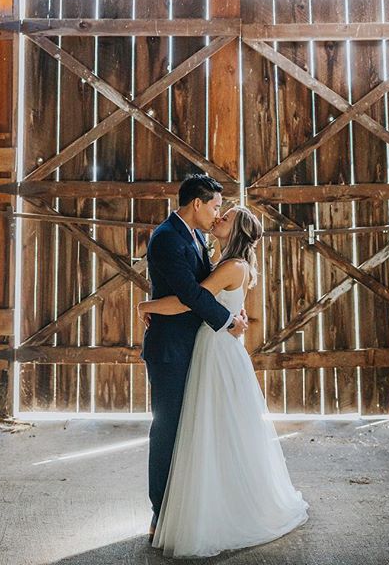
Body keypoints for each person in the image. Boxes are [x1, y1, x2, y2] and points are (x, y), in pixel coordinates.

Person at [139, 205, 308, 558]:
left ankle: (221, 512)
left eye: (226, 216)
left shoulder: (232, 267)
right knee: (215, 431)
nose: (218, 218)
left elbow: (191, 301)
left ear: (237, 231)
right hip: (212, 349)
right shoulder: (221, 260)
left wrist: (146, 306)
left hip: (216, 353)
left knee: (215, 431)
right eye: (219, 210)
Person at [142, 175, 249, 543]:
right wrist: (228, 320)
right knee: (168, 430)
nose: (218, 213)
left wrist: (233, 312)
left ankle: (192, 508)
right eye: (216, 206)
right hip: (171, 351)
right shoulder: (168, 237)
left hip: (196, 348)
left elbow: (201, 288)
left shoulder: (194, 236)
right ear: (198, 204)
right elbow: (189, 293)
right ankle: (160, 514)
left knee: (194, 432)